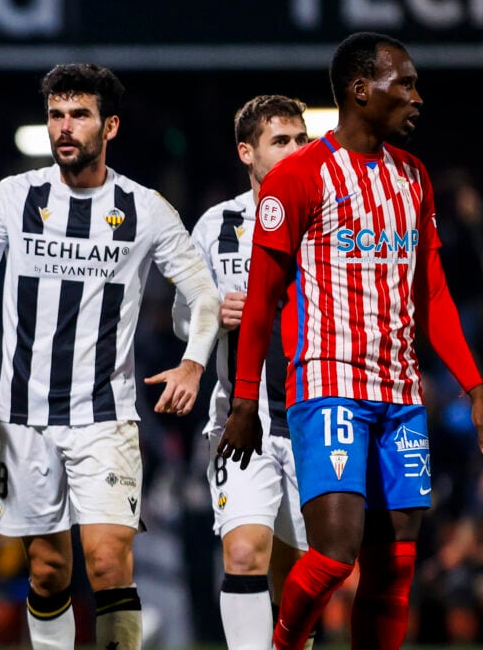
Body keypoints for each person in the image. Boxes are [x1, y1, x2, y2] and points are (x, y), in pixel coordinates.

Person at [217, 31, 483, 650]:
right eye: (403, 84)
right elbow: (264, 301)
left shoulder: (414, 177)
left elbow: (432, 295)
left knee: (396, 565)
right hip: (327, 384)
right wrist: (245, 400)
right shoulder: (298, 177)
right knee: (336, 553)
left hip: (402, 393)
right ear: (360, 90)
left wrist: (475, 388)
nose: (416, 97)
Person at [0, 63, 221, 650]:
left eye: (79, 115)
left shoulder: (145, 209)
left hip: (106, 417)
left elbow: (205, 294)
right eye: (57, 115)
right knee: (47, 570)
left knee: (110, 561)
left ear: (108, 126)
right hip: (23, 416)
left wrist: (193, 363)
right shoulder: (15, 197)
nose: (65, 128)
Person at [178, 95, 311, 649]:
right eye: (281, 141)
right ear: (246, 152)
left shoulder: (328, 215)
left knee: (297, 571)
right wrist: (214, 311)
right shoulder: (219, 223)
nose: (296, 150)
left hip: (315, 417)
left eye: (301, 139)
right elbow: (182, 313)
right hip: (242, 416)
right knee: (242, 552)